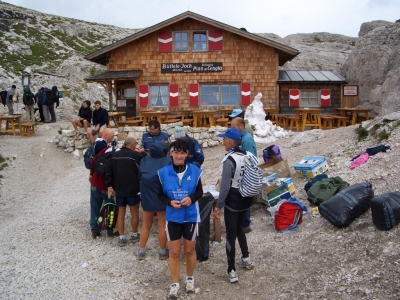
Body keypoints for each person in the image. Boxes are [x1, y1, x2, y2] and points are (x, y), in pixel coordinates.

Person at [157, 139, 203, 298]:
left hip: (190, 216)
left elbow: (199, 192)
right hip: (173, 217)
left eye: (182, 152)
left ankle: (190, 279)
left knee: (190, 250)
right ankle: (175, 284)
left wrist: (191, 198)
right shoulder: (163, 172)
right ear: (171, 153)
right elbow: (159, 195)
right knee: (175, 253)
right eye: (176, 152)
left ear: (187, 154)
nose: (179, 155)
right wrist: (169, 201)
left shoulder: (195, 171)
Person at [213, 127, 254, 284]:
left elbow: (224, 187)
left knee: (230, 234)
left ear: (230, 142)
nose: (223, 142)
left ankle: (231, 270)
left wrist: (218, 207)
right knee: (239, 229)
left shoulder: (229, 160)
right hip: (246, 198)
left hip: (233, 200)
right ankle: (246, 258)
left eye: (224, 139)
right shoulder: (247, 155)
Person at [106, 137, 146, 247]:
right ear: (132, 145)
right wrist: (142, 152)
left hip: (119, 188)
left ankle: (121, 237)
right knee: (134, 213)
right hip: (133, 188)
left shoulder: (114, 155)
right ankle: (134, 234)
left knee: (121, 213)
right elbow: (146, 160)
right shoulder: (135, 155)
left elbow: (108, 171)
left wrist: (110, 186)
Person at [137, 141, 171, 260]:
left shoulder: (144, 160)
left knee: (146, 225)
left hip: (146, 196)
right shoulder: (167, 161)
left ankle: (141, 250)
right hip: (161, 197)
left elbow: (139, 176)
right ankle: (162, 251)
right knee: (162, 225)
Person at [88, 128, 116, 239]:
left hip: (95, 182)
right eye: (112, 136)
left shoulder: (104, 151)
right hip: (107, 186)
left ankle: (95, 230)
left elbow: (93, 162)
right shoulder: (114, 154)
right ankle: (109, 230)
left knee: (95, 206)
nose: (113, 138)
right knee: (110, 207)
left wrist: (91, 174)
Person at [231, 117, 257, 233]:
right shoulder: (241, 138)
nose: (232, 128)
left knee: (245, 197)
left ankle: (245, 224)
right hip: (242, 173)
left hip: (247, 173)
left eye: (233, 126)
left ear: (241, 127)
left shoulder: (246, 140)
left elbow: (249, 158)